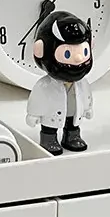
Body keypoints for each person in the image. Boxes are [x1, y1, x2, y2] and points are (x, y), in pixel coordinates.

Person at [26, 10, 94, 155]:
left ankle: (72, 137)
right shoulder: (45, 85)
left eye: (84, 52)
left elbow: (86, 95)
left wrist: (87, 108)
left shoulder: (81, 83)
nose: (78, 58)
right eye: (67, 54)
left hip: (73, 112)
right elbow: (38, 99)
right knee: (50, 128)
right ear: (40, 50)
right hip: (51, 114)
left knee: (73, 125)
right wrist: (33, 114)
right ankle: (48, 140)